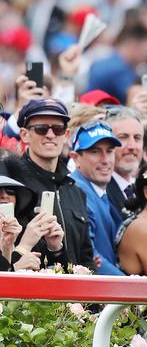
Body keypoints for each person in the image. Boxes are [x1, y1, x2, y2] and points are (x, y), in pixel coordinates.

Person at [17, 99, 95, 270]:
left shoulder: (75, 190)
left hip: (73, 292)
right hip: (25, 292)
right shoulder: (13, 186)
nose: (50, 135)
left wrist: (87, 275)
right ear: (24, 135)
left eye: (57, 129)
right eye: (41, 129)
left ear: (66, 135)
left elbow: (86, 256)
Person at [69, 121, 124, 275]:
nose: (105, 159)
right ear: (76, 158)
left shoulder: (96, 189)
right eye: (95, 151)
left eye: (110, 151)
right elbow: (91, 257)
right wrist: (134, 287)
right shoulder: (77, 191)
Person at [104, 106, 144, 212]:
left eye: (137, 138)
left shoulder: (143, 188)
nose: (132, 146)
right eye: (123, 137)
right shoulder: (100, 190)